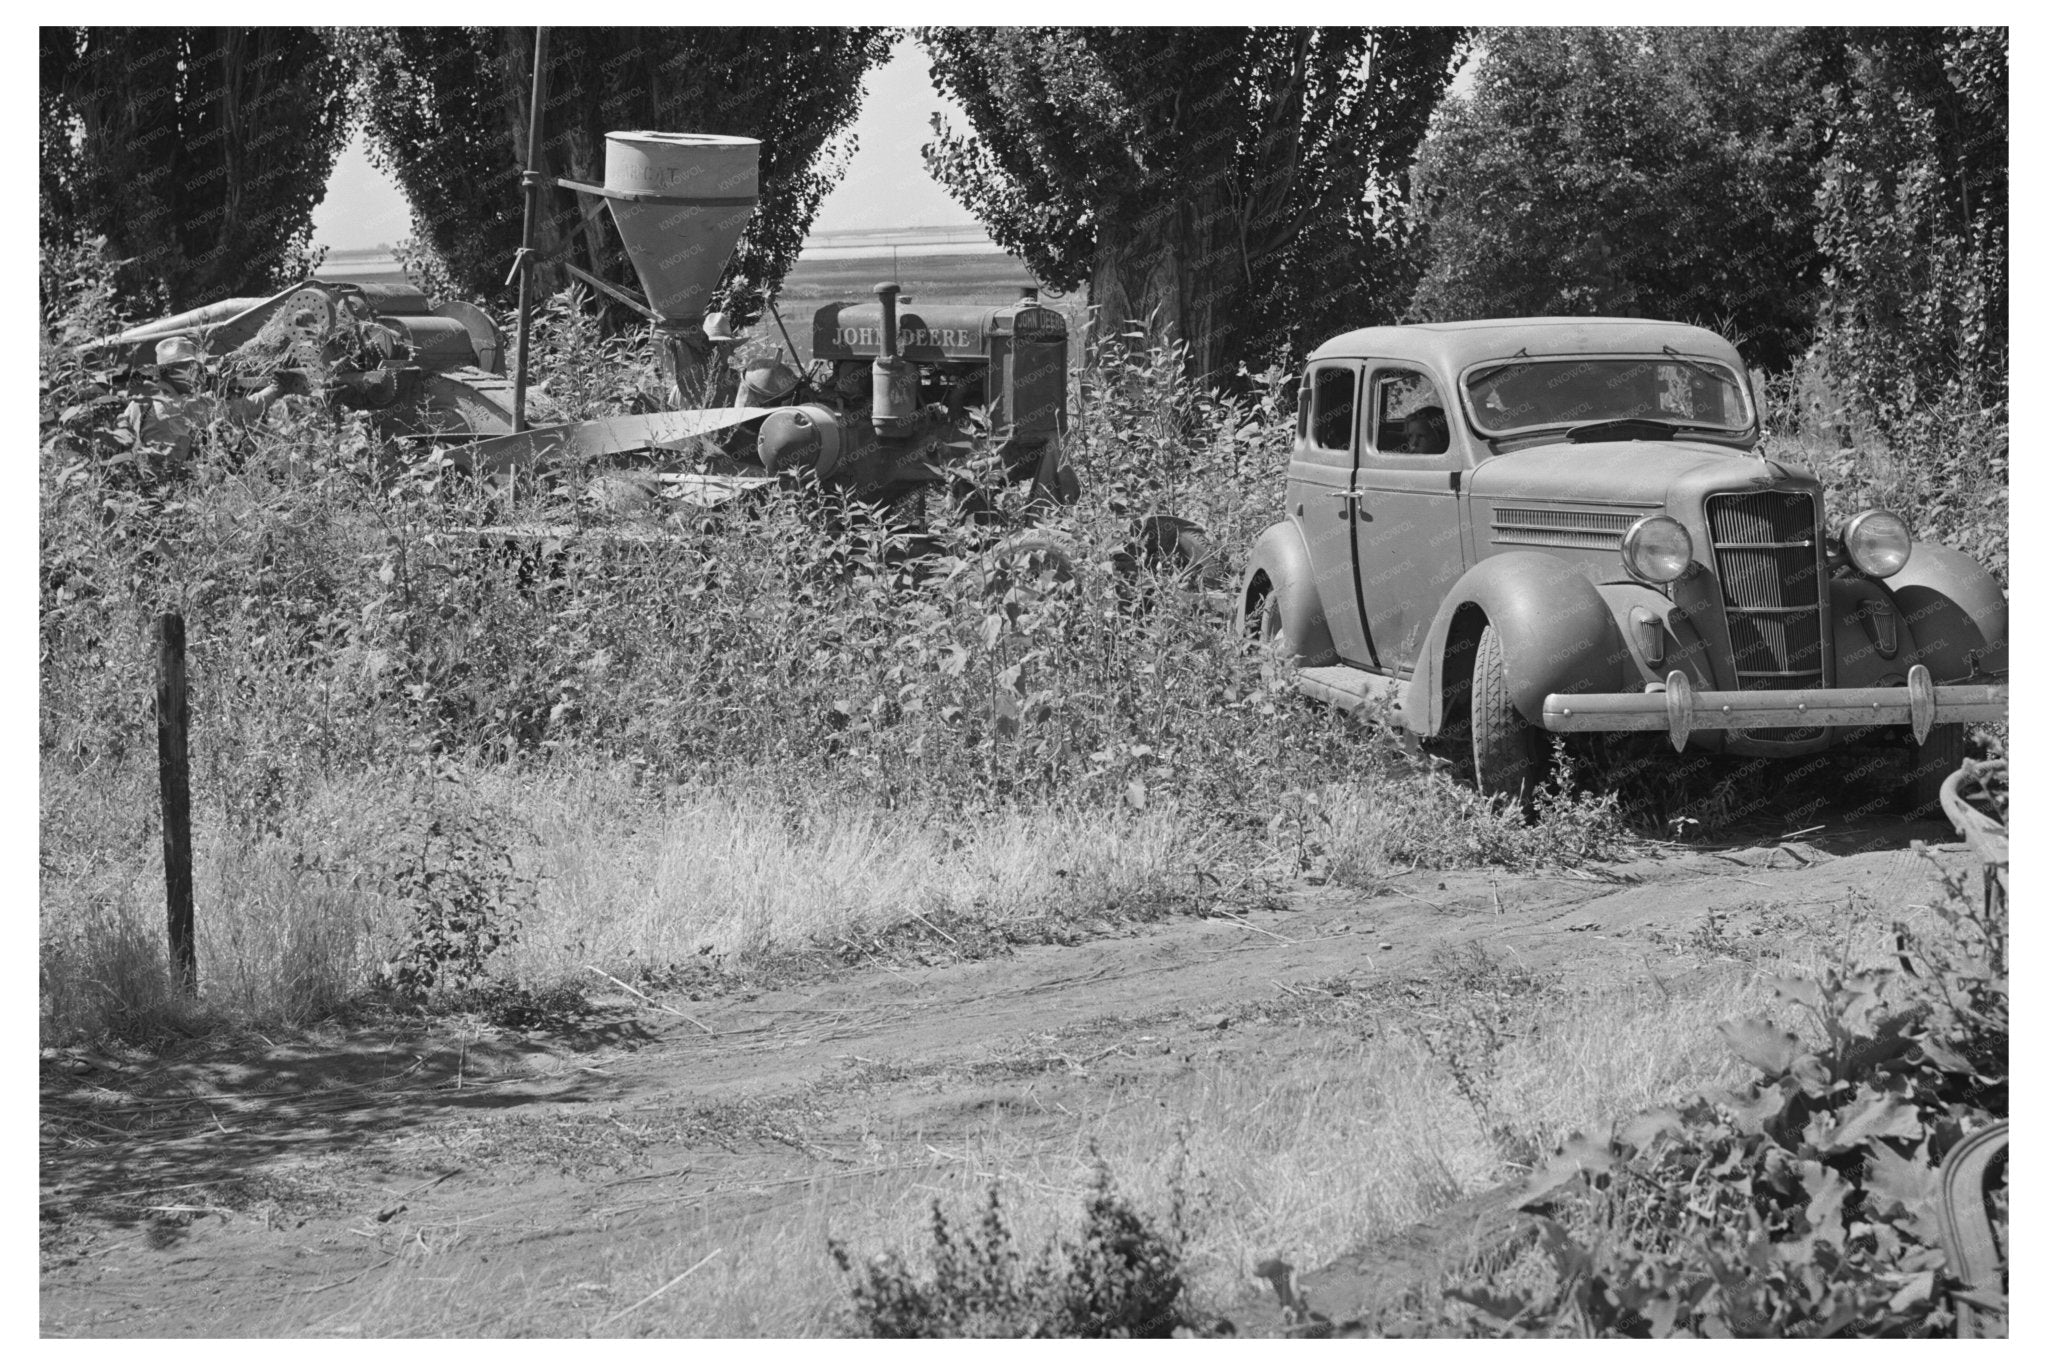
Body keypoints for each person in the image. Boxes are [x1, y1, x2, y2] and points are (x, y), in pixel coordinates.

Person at [125, 336, 289, 469]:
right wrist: (278, 386)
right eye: (194, 368)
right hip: (176, 484)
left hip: (145, 487)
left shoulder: (137, 403)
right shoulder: (184, 405)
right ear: (173, 371)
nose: (201, 374)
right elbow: (247, 408)